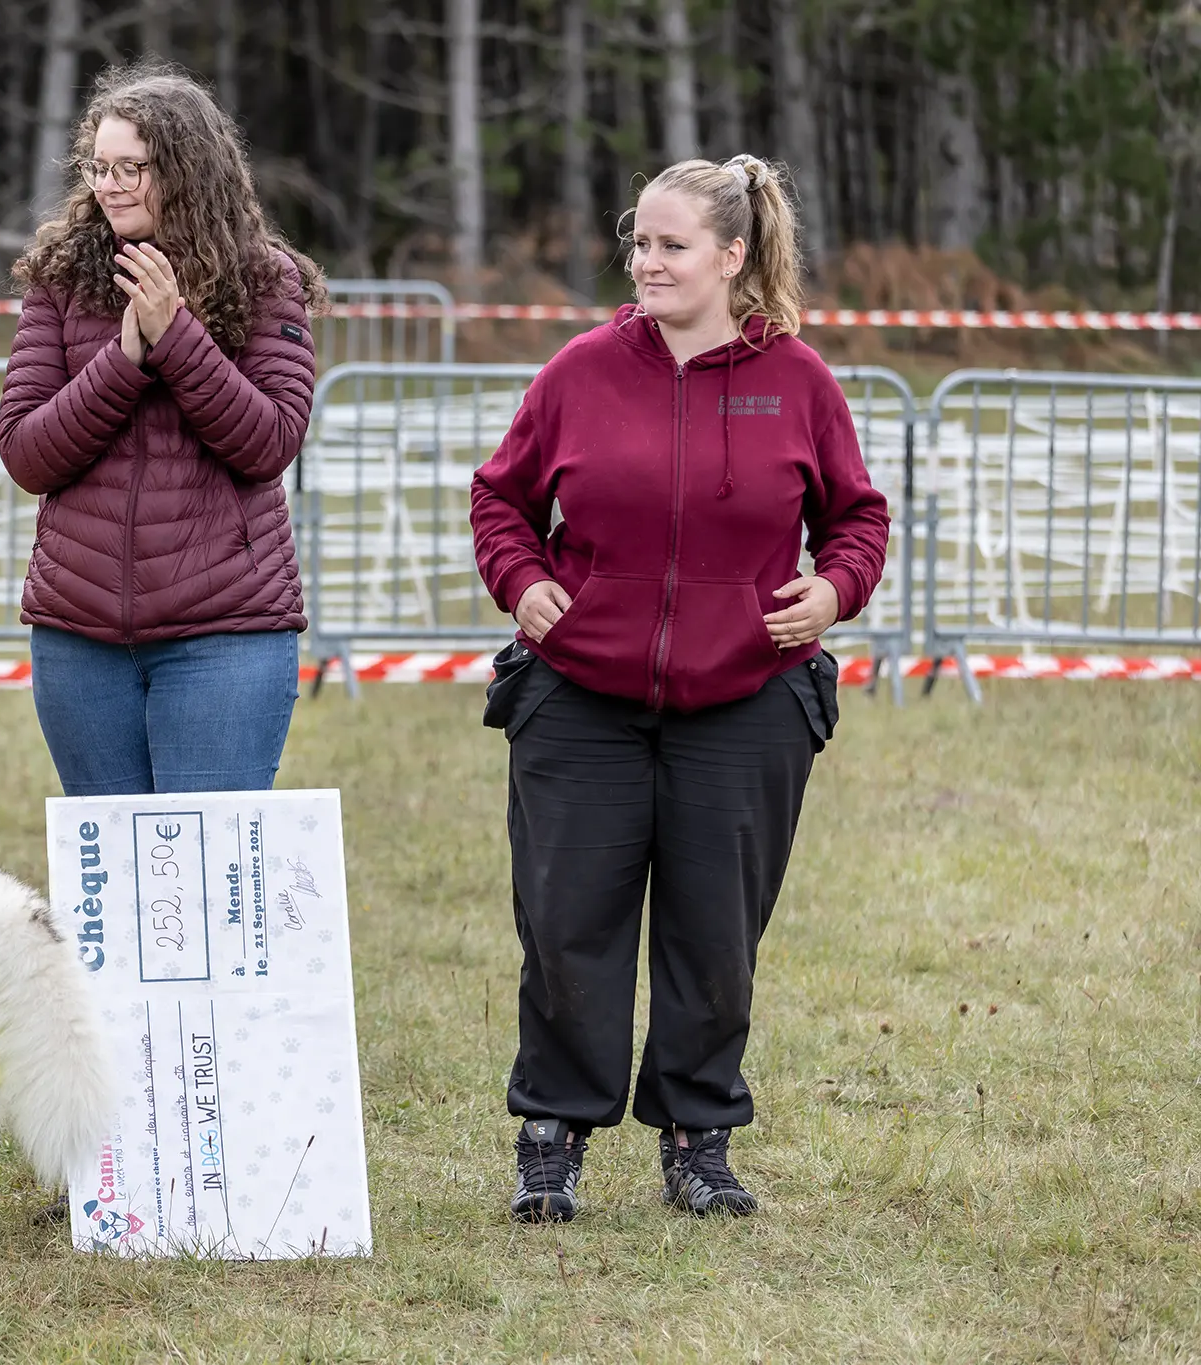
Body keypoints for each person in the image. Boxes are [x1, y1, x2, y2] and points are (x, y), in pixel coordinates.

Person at [469, 155, 889, 1222]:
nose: (643, 263)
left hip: (747, 701)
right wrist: (520, 583)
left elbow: (857, 517)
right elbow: (500, 499)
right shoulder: (576, 371)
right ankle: (550, 1135)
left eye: (669, 246)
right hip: (579, 698)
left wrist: (832, 591)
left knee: (713, 933)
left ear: (731, 255)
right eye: (637, 244)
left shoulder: (798, 379)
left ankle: (698, 1136)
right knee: (566, 924)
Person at [0, 63, 326, 799]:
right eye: (99, 166)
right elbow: (25, 451)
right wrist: (124, 360)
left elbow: (269, 441)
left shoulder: (265, 279)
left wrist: (176, 335)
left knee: (205, 882)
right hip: (79, 639)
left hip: (226, 635)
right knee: (115, 884)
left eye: (130, 169)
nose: (108, 184)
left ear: (184, 171)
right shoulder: (61, 277)